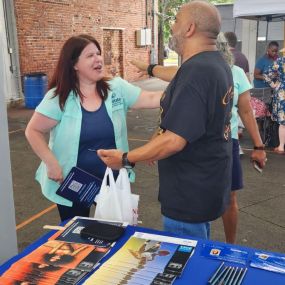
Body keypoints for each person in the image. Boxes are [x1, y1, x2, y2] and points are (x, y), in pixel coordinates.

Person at [98, 0, 234, 240]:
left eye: (176, 21)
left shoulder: (196, 72)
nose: (172, 27)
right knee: (197, 250)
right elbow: (184, 103)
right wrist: (150, 68)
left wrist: (127, 158)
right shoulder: (215, 64)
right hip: (206, 184)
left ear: (190, 28)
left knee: (183, 266)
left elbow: (174, 141)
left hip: (188, 194)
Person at [130, 33, 267, 244]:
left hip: (223, 144)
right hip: (199, 147)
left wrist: (258, 145)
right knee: (204, 205)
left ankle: (229, 245)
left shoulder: (229, 72)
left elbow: (246, 111)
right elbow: (172, 108)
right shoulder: (195, 71)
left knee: (227, 199)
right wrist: (148, 67)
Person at [25, 34, 163, 222]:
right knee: (76, 238)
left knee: (114, 235)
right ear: (74, 64)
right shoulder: (59, 97)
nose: (98, 58)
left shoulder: (116, 88)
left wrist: (183, 90)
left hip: (111, 181)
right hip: (72, 182)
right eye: (90, 55)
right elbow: (33, 131)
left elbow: (151, 98)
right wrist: (51, 162)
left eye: (98, 53)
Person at [264, 53, 285, 153]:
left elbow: (266, 73)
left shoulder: (280, 61)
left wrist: (274, 85)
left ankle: (281, 146)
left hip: (282, 92)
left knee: (283, 122)